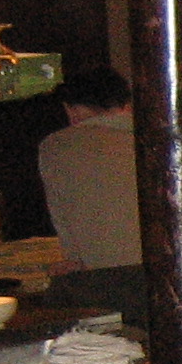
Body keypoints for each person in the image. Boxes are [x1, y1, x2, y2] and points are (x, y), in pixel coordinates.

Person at [36, 66, 140, 271]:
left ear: (70, 109)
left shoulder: (55, 147)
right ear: (127, 102)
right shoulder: (159, 137)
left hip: (106, 277)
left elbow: (69, 237)